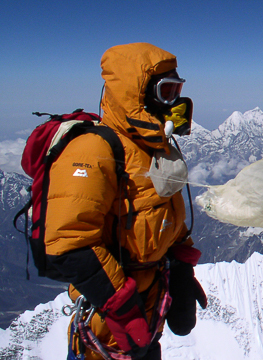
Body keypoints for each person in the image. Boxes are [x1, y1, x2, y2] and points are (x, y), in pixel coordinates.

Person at [45, 43, 206, 360]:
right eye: (166, 91)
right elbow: (67, 243)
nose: (174, 103)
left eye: (177, 91)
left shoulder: (152, 150)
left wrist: (181, 267)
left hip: (148, 311)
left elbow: (161, 220)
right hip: (106, 324)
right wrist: (120, 306)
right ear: (137, 93)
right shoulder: (93, 150)